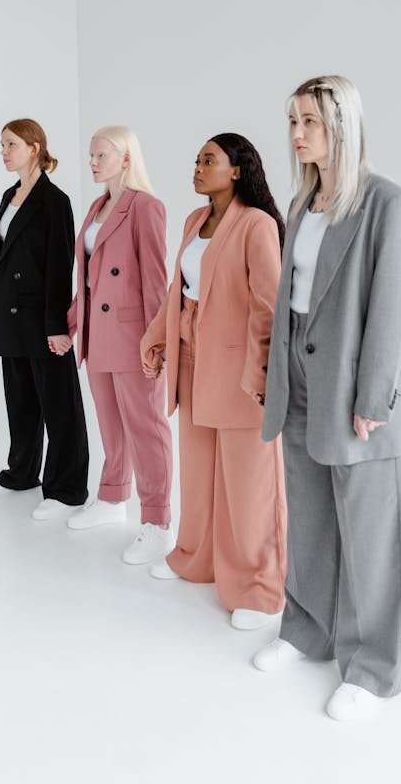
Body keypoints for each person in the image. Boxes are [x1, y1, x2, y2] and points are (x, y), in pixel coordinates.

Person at [253, 76, 401, 721]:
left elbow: (390, 310)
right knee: (311, 514)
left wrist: (374, 396)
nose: (296, 135)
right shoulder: (302, 204)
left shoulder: (386, 204)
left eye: (309, 123)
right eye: (292, 121)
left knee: (371, 532)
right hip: (298, 380)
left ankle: (373, 667)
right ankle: (307, 629)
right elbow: (294, 303)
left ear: (342, 126)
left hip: (354, 389)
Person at [141, 133, 287, 630]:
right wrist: (155, 338)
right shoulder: (193, 221)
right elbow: (176, 291)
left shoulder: (257, 225)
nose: (198, 167)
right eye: (197, 160)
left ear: (238, 170)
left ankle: (257, 585)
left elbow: (269, 306)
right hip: (191, 361)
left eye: (210, 160)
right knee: (199, 470)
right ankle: (196, 556)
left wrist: (263, 374)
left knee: (249, 483)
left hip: (241, 370)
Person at [65, 126, 174, 565]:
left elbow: (155, 280)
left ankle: (158, 522)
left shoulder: (146, 207)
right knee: (111, 426)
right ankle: (112, 499)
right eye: (91, 155)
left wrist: (156, 340)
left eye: (101, 155)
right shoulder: (97, 207)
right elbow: (88, 281)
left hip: (133, 337)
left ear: (126, 158)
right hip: (98, 335)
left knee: (146, 429)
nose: (92, 161)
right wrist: (70, 325)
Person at [0, 118, 89, 520]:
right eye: (2, 145)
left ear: (34, 147)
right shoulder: (10, 194)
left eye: (11, 144)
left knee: (58, 403)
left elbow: (61, 266)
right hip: (10, 315)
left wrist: (57, 326)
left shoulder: (54, 201)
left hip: (42, 318)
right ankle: (22, 472)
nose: (4, 152)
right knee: (21, 399)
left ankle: (66, 488)